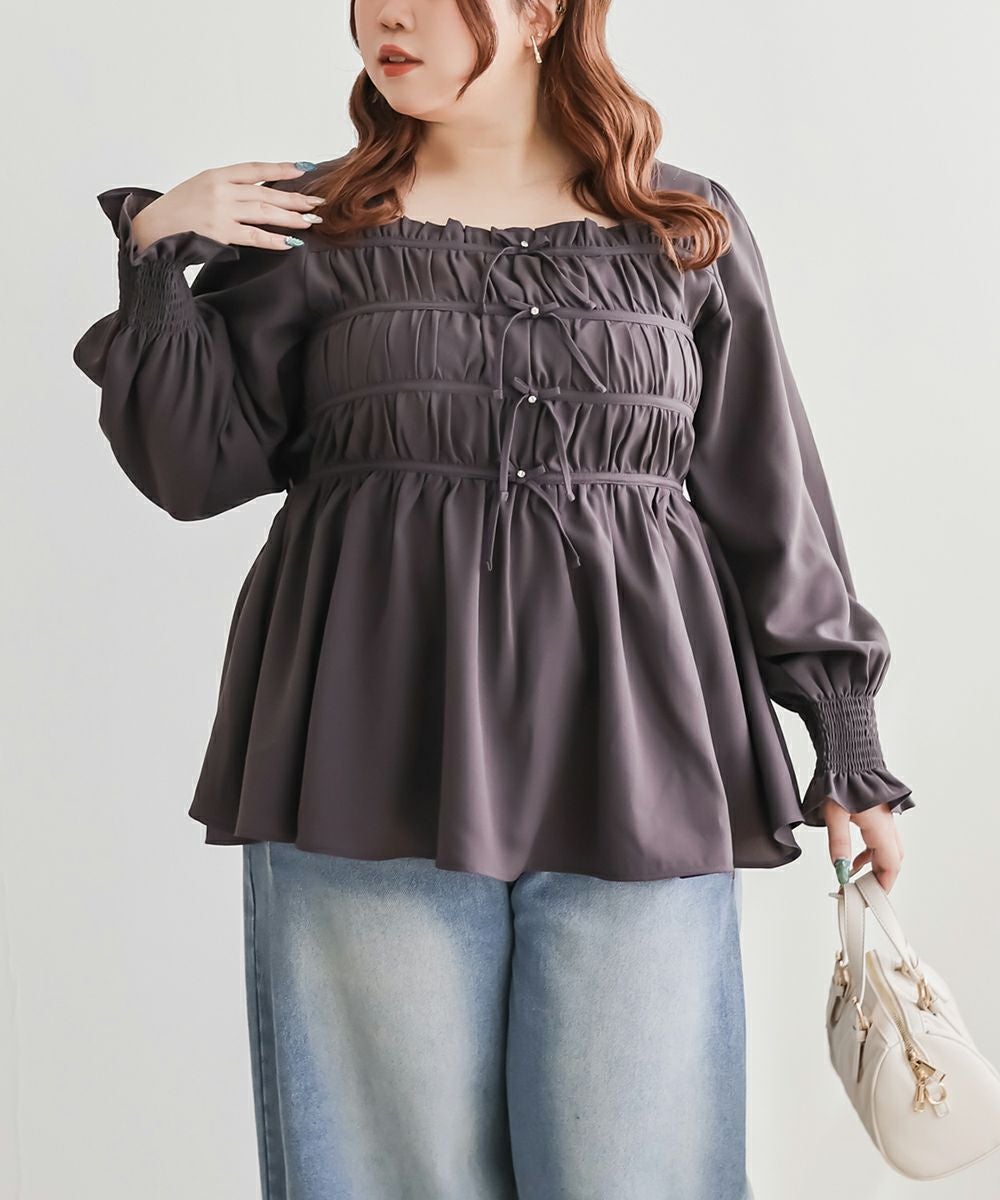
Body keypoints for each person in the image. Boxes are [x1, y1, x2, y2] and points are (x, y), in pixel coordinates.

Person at [73, 1, 915, 1196]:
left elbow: (766, 492)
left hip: (639, 762)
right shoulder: (313, 226)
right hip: (368, 764)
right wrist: (157, 253)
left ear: (539, 13)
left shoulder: (680, 228)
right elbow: (189, 469)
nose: (388, 15)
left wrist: (844, 737)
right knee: (386, 1175)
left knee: (640, 1174)